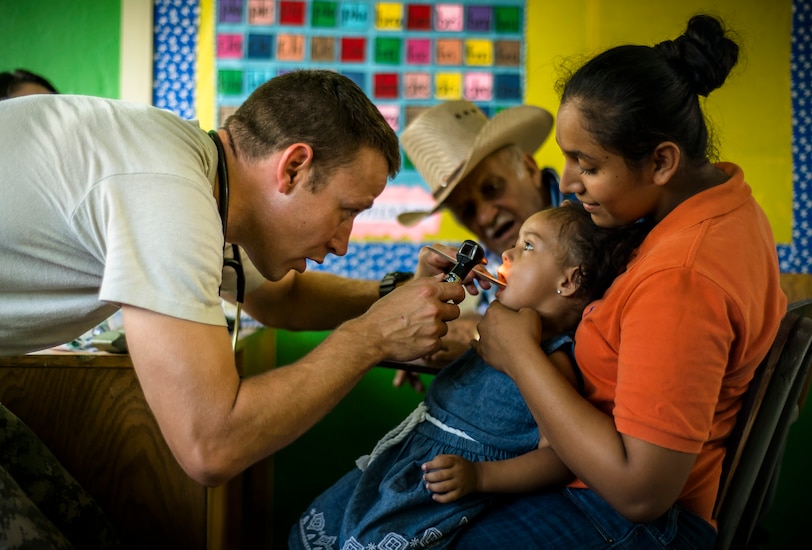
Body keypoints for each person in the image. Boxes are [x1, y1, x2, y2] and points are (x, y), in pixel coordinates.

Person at [0, 69, 467, 547]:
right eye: (347, 210)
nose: (342, 243)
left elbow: (283, 298)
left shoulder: (199, 173)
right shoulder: (166, 192)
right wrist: (373, 337)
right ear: (293, 168)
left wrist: (396, 295)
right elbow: (209, 445)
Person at [448, 14, 787, 549]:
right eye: (567, 157)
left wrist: (518, 354)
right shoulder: (717, 204)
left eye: (587, 163)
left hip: (630, 518)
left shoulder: (681, 277)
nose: (571, 181)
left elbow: (640, 492)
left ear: (661, 162)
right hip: (594, 485)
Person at [290, 203, 653, 550]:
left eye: (528, 246)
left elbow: (557, 461)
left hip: (439, 487)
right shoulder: (493, 338)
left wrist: (481, 477)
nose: (507, 254)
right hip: (402, 464)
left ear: (570, 280)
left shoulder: (549, 363)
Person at [390, 100, 572, 376]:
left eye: (492, 188)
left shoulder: (594, 218)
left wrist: (476, 340)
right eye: (468, 210)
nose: (485, 217)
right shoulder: (496, 255)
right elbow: (494, 315)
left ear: (530, 168)